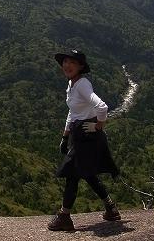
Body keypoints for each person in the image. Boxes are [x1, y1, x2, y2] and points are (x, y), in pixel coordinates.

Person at [48, 49, 121, 231]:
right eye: (65, 61)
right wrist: (65, 136)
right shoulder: (72, 84)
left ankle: (64, 215)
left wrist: (98, 125)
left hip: (88, 137)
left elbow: (102, 106)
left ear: (80, 66)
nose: (67, 65)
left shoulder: (82, 85)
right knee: (87, 173)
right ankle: (111, 208)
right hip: (81, 137)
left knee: (72, 173)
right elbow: (73, 112)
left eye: (72, 62)